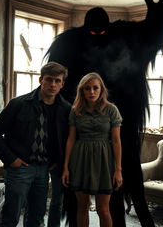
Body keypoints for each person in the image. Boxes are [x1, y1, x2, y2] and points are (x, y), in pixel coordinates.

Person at [45, 0, 163, 227]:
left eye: (102, 32)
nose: (99, 36)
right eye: (93, 32)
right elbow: (55, 84)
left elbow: (148, 37)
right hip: (81, 130)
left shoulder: (124, 34)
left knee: (119, 189)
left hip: (124, 123)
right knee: (77, 198)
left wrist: (159, 21)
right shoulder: (69, 43)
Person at [0, 62, 71, 227]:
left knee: (36, 218)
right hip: (19, 168)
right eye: (49, 79)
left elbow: (66, 139)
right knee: (11, 216)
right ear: (41, 80)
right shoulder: (19, 104)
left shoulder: (66, 109)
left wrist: (57, 161)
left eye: (57, 81)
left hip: (44, 169)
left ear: (62, 84)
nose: (53, 84)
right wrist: (11, 159)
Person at [62, 72, 123, 227]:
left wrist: (118, 169)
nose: (91, 92)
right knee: (82, 207)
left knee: (103, 210)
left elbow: (116, 140)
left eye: (95, 88)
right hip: (80, 159)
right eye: (87, 89)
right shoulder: (76, 110)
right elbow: (71, 139)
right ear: (82, 91)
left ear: (101, 90)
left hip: (103, 160)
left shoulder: (111, 110)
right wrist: (66, 167)